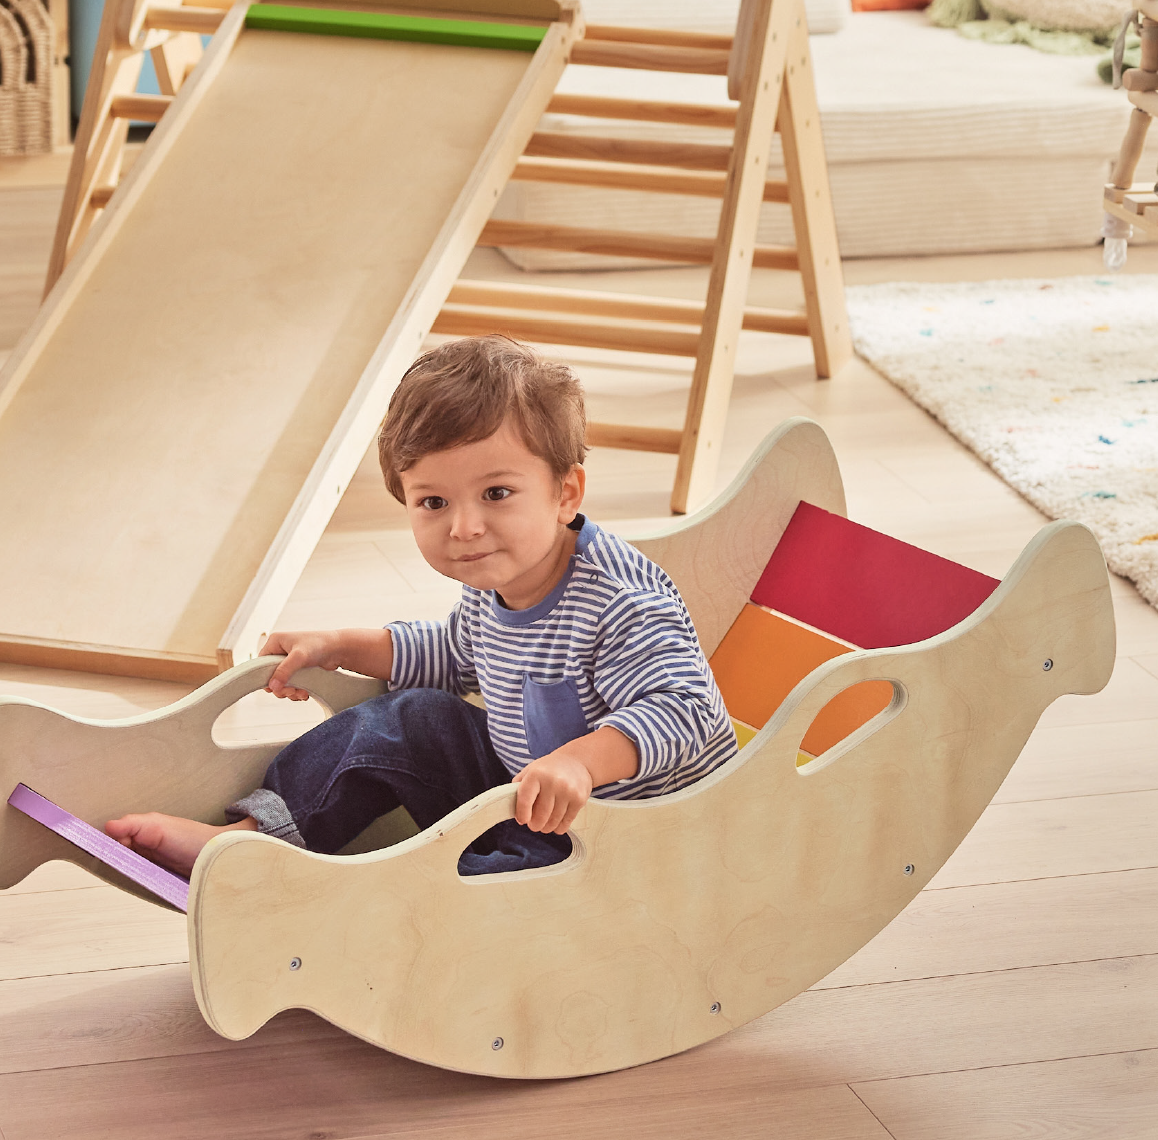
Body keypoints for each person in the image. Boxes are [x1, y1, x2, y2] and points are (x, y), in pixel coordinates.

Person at [105, 335, 737, 876]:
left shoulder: (620, 602)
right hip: (522, 799)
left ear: (565, 492)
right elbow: (457, 653)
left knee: (481, 889)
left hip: (631, 837)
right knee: (409, 717)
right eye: (434, 503)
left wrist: (578, 762)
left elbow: (685, 711)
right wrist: (342, 645)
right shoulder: (495, 577)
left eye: (496, 493)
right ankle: (250, 847)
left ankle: (380, 910)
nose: (464, 527)